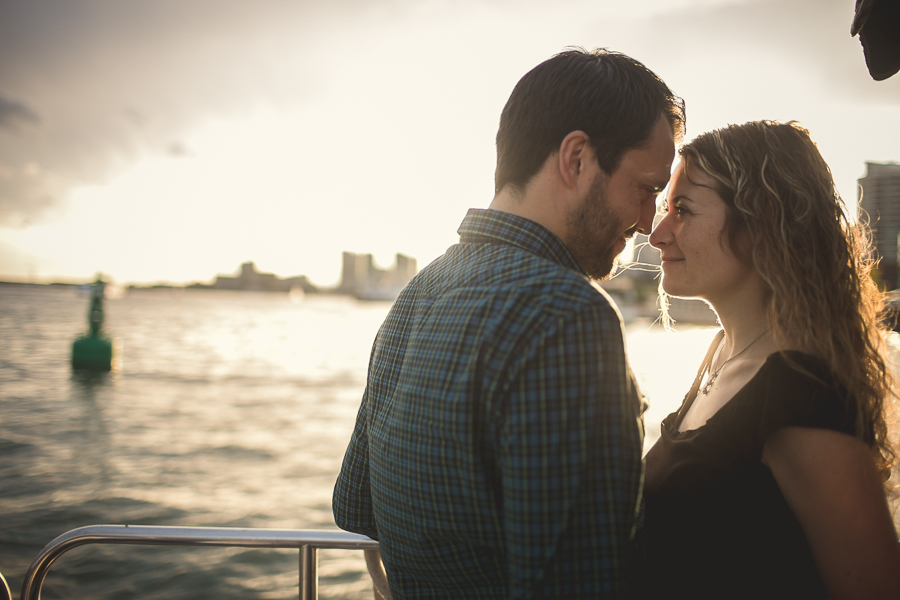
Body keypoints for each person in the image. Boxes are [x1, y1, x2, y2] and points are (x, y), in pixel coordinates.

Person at [333, 47, 685, 598]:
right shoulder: (568, 317)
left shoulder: (419, 293)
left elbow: (355, 506)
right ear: (576, 159)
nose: (647, 222)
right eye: (646, 189)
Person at [643, 120, 900, 599]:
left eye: (682, 210)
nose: (658, 234)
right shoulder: (721, 352)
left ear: (760, 222)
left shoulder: (800, 393)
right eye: (664, 209)